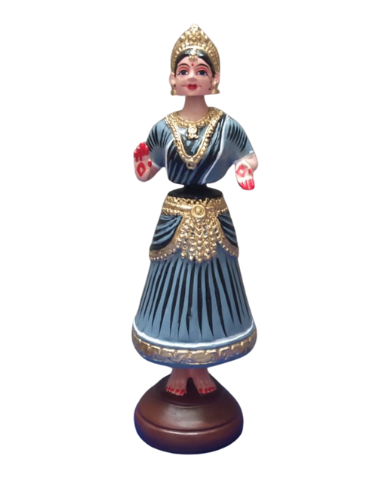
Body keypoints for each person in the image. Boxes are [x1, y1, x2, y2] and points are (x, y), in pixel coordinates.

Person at [132, 24, 258, 396]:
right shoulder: (163, 128)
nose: (192, 77)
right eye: (184, 70)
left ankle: (202, 366)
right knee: (173, 291)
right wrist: (141, 165)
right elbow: (149, 171)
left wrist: (245, 168)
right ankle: (177, 366)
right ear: (172, 78)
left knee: (211, 291)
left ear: (214, 78)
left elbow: (250, 155)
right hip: (174, 217)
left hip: (214, 216)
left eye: (201, 71)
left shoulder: (226, 126)